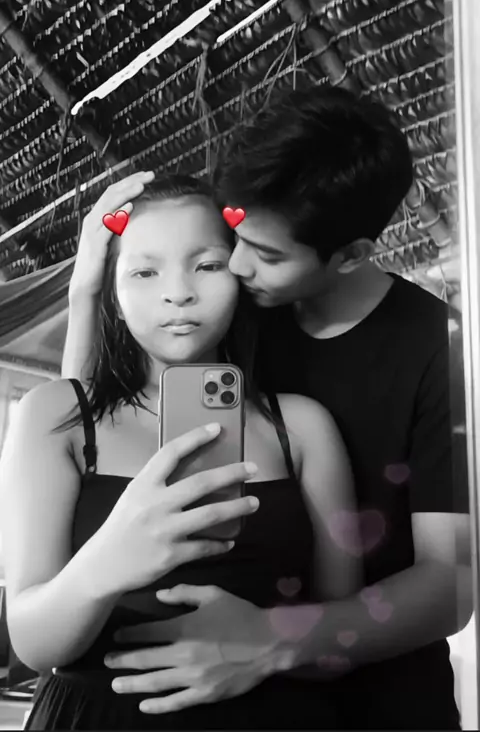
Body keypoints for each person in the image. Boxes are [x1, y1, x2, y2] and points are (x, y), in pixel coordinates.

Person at [61, 85, 472, 731]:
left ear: (352, 255)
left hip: (376, 704)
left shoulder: (442, 353)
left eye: (269, 254)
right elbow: (93, 429)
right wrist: (87, 289)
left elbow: (450, 584)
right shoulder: (229, 302)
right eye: (234, 233)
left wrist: (270, 640)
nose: (236, 263)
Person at [0, 173, 363, 730]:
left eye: (207, 265)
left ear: (240, 273)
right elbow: (32, 644)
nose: (178, 292)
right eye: (144, 272)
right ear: (113, 293)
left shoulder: (303, 428)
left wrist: (272, 641)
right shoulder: (54, 416)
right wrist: (107, 561)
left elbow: (350, 631)